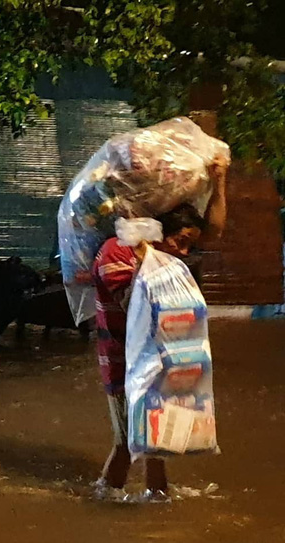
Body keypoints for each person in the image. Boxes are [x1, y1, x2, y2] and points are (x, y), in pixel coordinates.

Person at [93, 160, 227, 496]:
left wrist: (219, 181)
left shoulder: (164, 261)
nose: (183, 252)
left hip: (159, 361)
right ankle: (103, 498)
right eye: (179, 241)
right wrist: (143, 253)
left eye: (188, 245)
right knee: (127, 442)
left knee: (155, 440)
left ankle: (157, 497)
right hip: (124, 363)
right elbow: (132, 303)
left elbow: (215, 231)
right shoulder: (116, 252)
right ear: (159, 232)